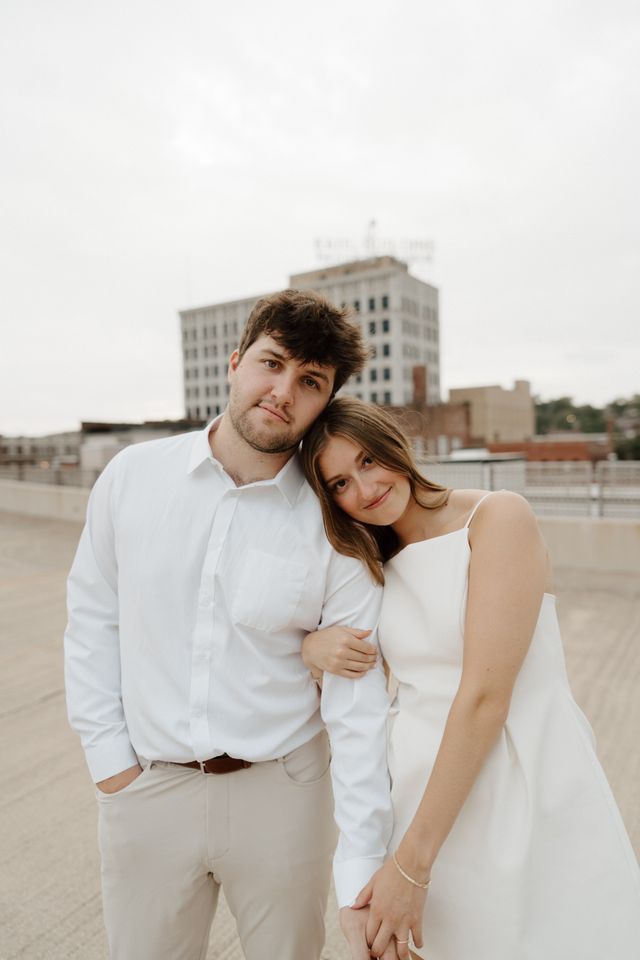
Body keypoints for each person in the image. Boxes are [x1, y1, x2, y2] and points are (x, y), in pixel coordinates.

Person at [64, 290, 396, 960]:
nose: (282, 392)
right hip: (147, 787)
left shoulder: (334, 523)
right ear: (236, 361)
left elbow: (357, 705)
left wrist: (364, 859)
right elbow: (93, 619)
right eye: (272, 364)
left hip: (284, 795)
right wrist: (111, 766)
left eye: (310, 382)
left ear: (325, 401)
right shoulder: (132, 476)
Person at [300, 396, 640, 960]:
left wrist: (411, 866)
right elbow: (363, 693)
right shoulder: (368, 564)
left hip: (518, 788)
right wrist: (312, 649)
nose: (364, 488)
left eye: (367, 460)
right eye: (339, 483)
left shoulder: (496, 517)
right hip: (418, 797)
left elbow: (485, 698)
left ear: (393, 445)